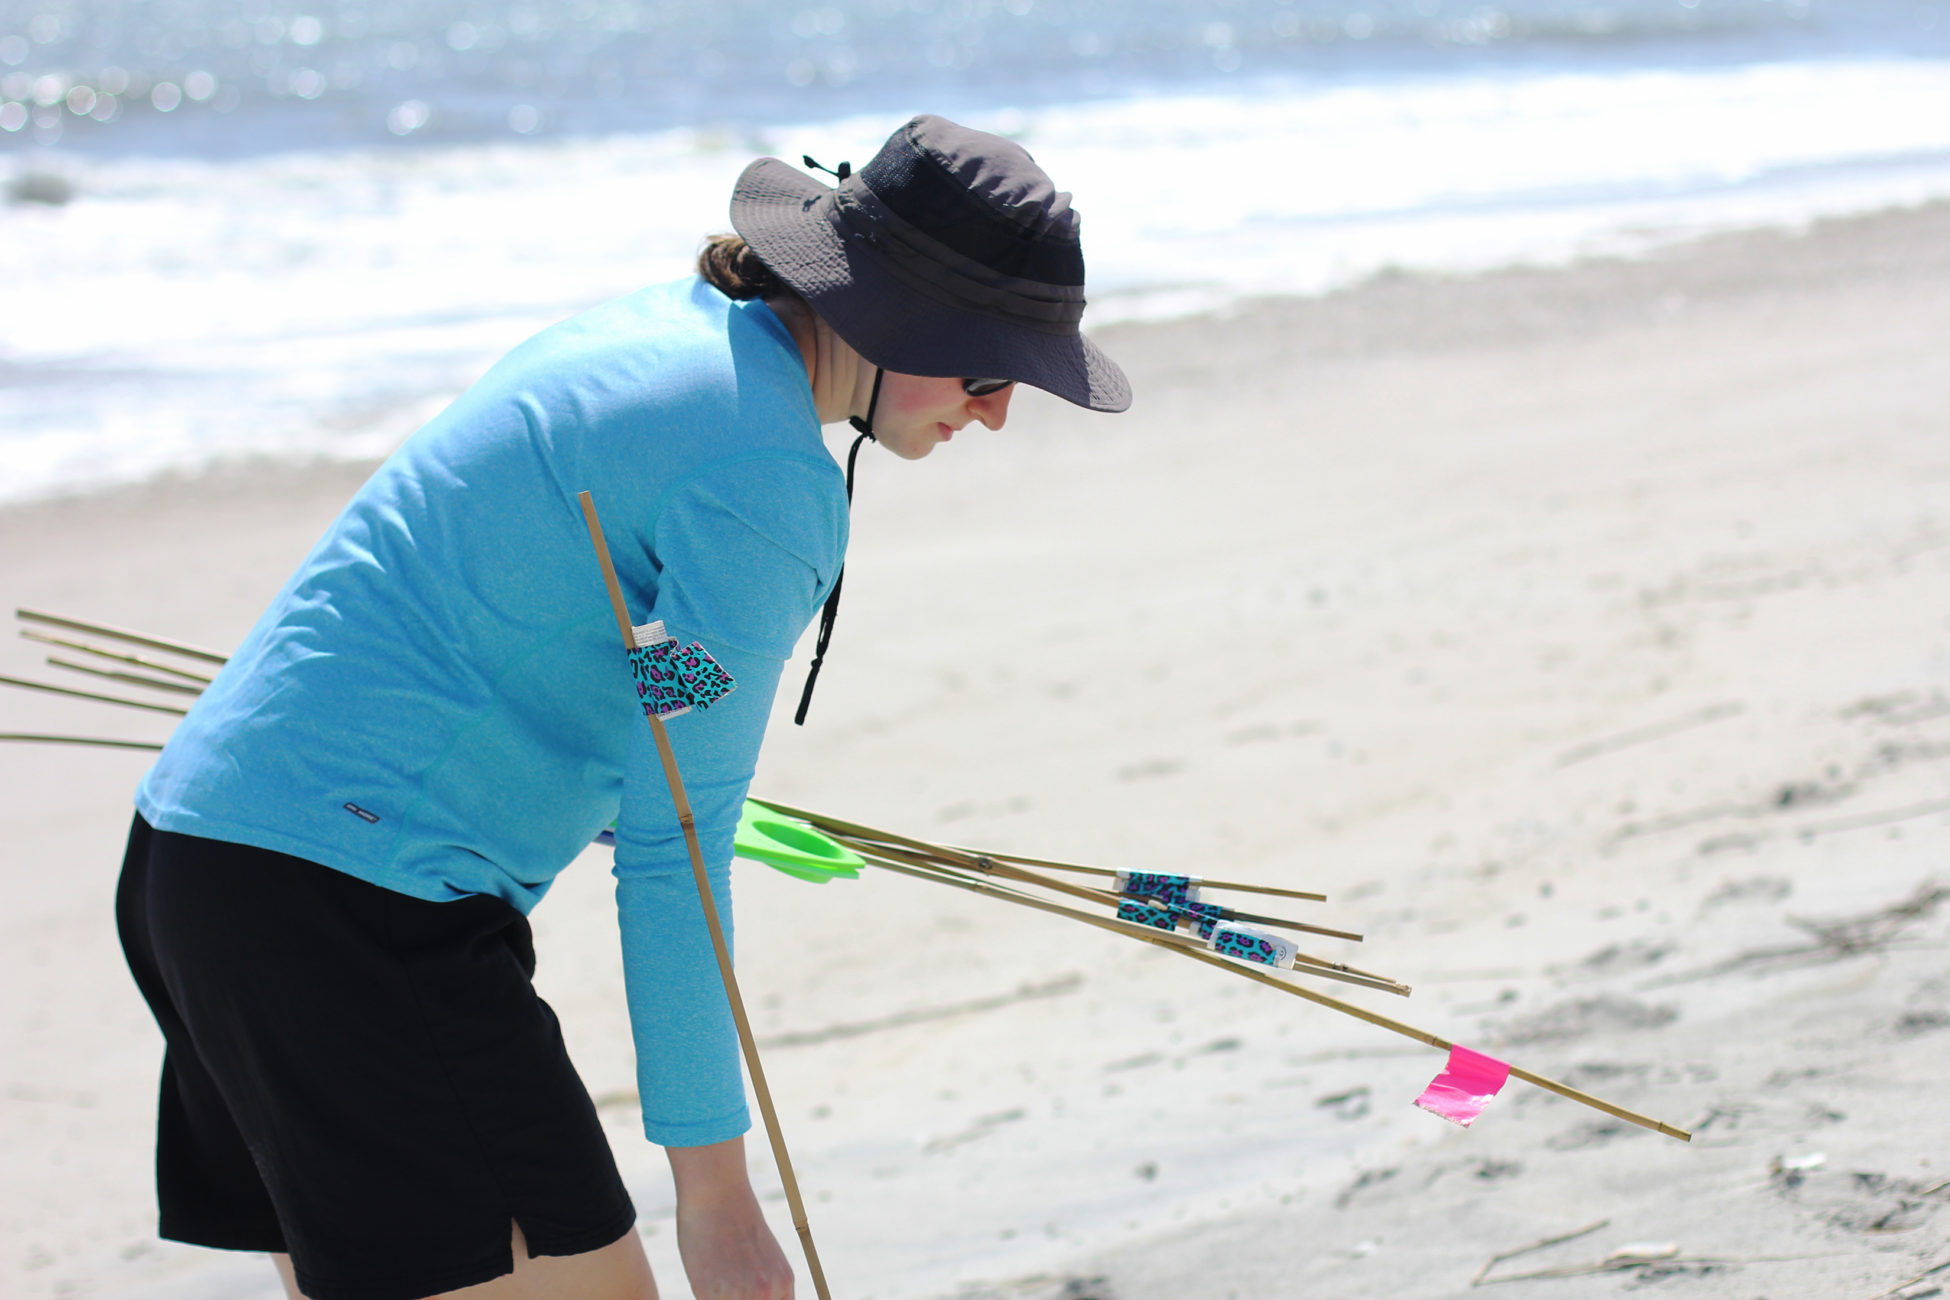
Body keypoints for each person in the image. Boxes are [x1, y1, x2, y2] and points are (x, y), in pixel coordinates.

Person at [115, 114, 1130, 1300]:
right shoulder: (769, 482)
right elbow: (674, 852)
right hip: (351, 916)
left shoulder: (658, 336)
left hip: (200, 861)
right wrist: (718, 1202)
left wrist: (657, 768)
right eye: (993, 368)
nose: (1000, 411)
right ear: (901, 318)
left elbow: (600, 650)